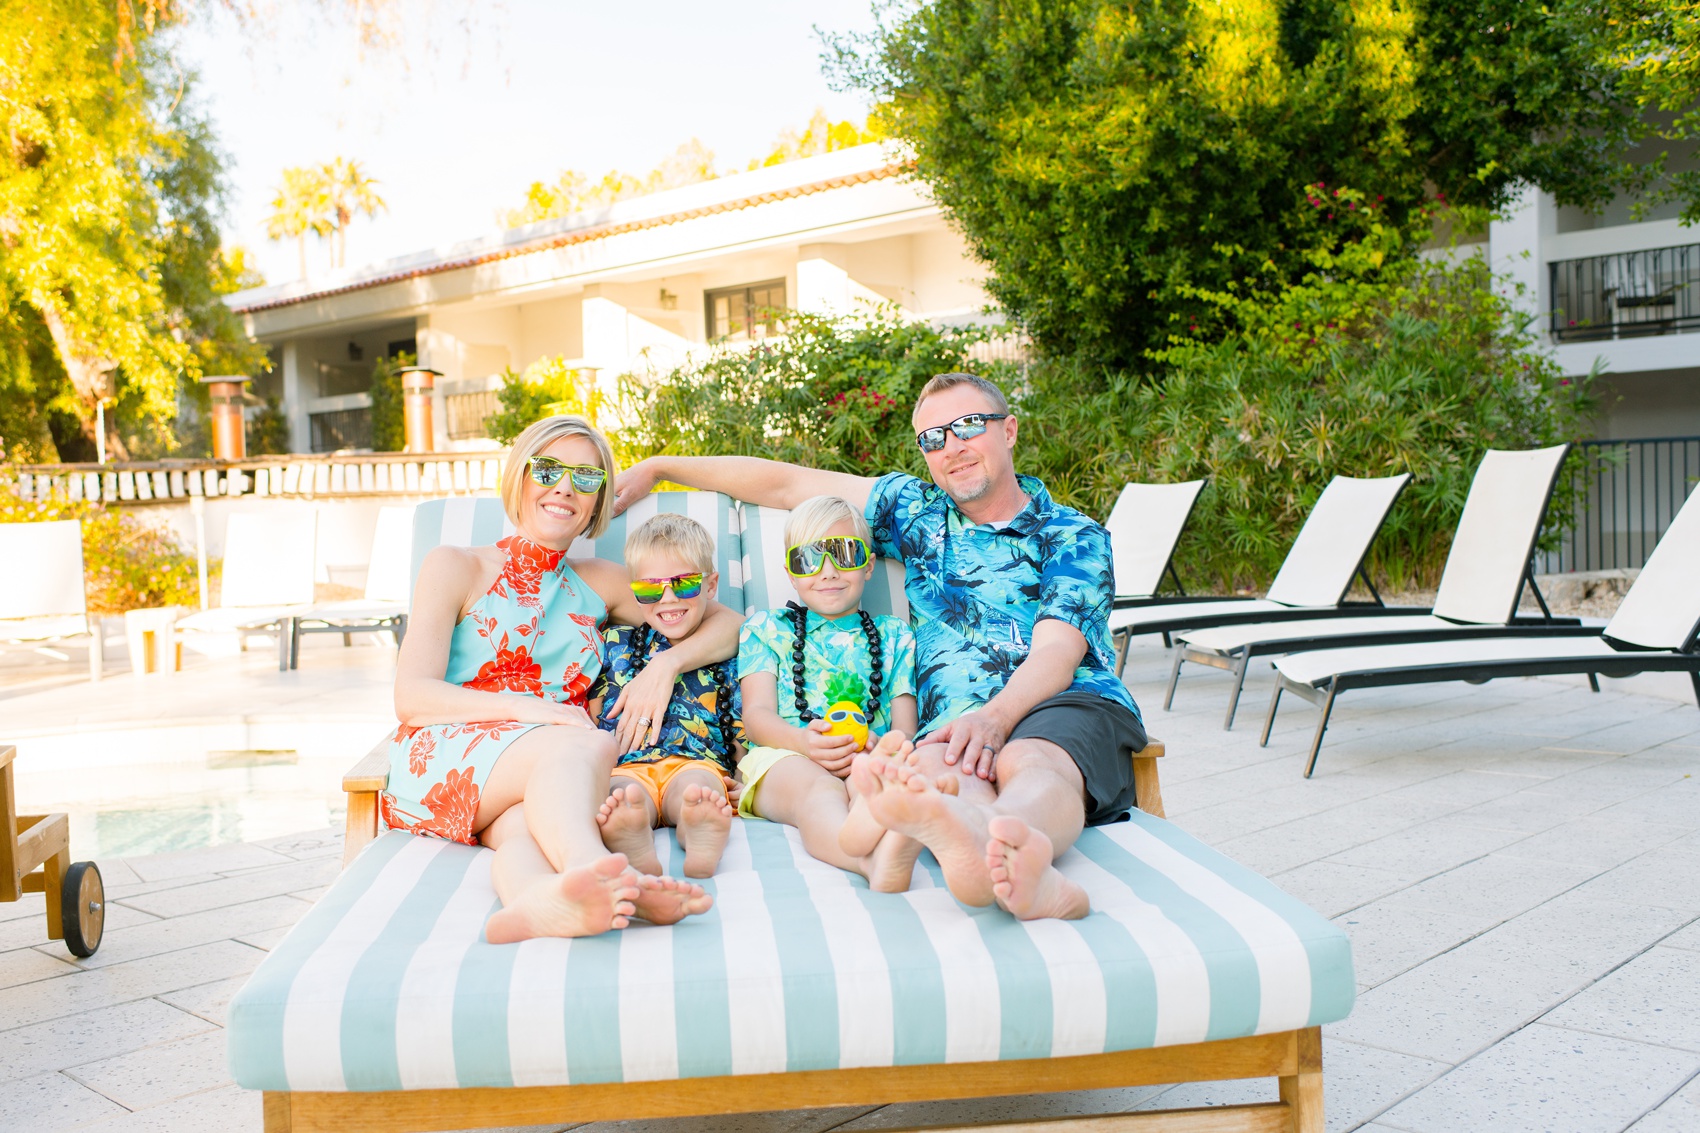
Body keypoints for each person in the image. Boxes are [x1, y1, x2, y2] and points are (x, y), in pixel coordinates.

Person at [612, 373, 1146, 921]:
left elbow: (1058, 653)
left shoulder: (1071, 535)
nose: (952, 447)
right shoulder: (918, 513)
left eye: (967, 426)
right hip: (950, 724)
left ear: (1008, 430)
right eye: (933, 438)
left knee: (1026, 758)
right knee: (944, 776)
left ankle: (1020, 850)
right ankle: (1002, 865)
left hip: (1058, 700)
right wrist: (662, 467)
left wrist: (995, 717)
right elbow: (785, 485)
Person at [386, 415, 744, 941]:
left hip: (532, 771)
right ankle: (597, 870)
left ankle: (537, 901)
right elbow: (411, 696)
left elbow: (727, 622)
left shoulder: (599, 583)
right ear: (521, 476)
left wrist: (666, 664)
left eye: (586, 477)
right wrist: (532, 711)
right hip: (450, 748)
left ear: (598, 500)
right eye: (549, 468)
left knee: (522, 835)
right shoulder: (455, 565)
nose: (564, 487)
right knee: (590, 746)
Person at [733, 495, 929, 892]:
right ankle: (870, 863)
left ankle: (882, 828)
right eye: (808, 559)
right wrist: (804, 743)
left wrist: (882, 749)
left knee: (870, 780)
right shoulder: (767, 629)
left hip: (865, 756)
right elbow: (756, 717)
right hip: (784, 757)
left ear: (869, 565)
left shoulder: (896, 636)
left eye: (843, 552)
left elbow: (905, 730)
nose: (827, 571)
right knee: (817, 791)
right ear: (791, 573)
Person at [591, 513, 742, 880]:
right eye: (650, 589)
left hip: (698, 762)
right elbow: (592, 711)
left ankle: (700, 830)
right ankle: (632, 835)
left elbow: (742, 723)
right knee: (622, 798)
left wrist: (745, 775)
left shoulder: (729, 654)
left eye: (684, 584)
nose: (668, 598)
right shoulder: (614, 643)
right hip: (626, 767)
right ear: (635, 592)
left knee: (698, 793)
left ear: (711, 585)